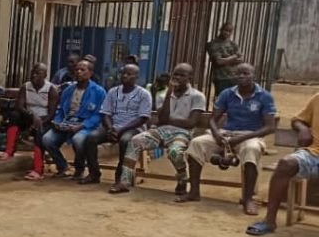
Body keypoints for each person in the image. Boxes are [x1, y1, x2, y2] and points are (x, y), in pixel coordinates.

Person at [183, 63, 276, 214]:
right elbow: (213, 119)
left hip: (250, 135)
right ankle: (194, 192)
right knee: (196, 143)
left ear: (253, 75)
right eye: (238, 73)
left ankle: (248, 199)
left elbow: (270, 127)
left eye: (245, 73)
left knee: (251, 149)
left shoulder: (264, 96)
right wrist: (216, 134)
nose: (241, 76)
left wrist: (244, 137)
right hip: (227, 133)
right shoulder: (227, 93)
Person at [110, 63, 206, 197]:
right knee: (135, 141)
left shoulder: (197, 96)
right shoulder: (164, 94)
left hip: (182, 133)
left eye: (182, 75)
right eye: (175, 74)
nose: (177, 78)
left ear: (190, 77)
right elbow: (162, 119)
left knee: (174, 151)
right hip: (162, 130)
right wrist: (169, 94)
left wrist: (169, 121)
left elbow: (191, 123)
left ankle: (182, 180)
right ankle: (124, 182)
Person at [247, 92, 319, 236]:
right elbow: (297, 120)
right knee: (286, 164)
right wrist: (303, 128)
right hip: (315, 153)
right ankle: (269, 221)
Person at [86, 64, 153, 186]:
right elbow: (105, 113)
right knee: (91, 137)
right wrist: (110, 129)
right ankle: (94, 174)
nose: (125, 76)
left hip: (133, 128)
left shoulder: (144, 94)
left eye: (129, 74)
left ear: (136, 77)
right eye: (123, 73)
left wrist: (121, 129)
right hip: (113, 126)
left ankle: (121, 177)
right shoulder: (113, 91)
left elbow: (143, 118)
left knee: (125, 141)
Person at [41, 60, 107, 181]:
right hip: (67, 123)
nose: (79, 72)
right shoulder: (68, 90)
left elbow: (99, 115)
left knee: (78, 140)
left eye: (82, 70)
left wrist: (82, 126)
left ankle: (79, 169)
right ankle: (63, 166)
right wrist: (58, 122)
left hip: (85, 125)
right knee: (47, 139)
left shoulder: (99, 91)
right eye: (77, 70)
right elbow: (61, 110)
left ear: (90, 73)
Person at [0, 63, 58, 181]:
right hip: (28, 116)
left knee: (39, 132)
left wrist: (40, 121)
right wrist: (32, 115)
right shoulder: (25, 87)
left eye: (38, 73)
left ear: (45, 75)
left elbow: (52, 113)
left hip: (44, 118)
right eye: (33, 73)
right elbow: (19, 106)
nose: (34, 75)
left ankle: (38, 169)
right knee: (14, 116)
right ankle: (9, 151)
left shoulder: (51, 89)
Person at [207, 22, 241, 101]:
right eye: (225, 30)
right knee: (221, 100)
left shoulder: (233, 44)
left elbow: (240, 60)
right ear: (221, 30)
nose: (227, 33)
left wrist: (226, 60)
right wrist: (233, 57)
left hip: (234, 77)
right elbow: (219, 61)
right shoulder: (213, 44)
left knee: (233, 100)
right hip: (221, 77)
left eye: (229, 31)